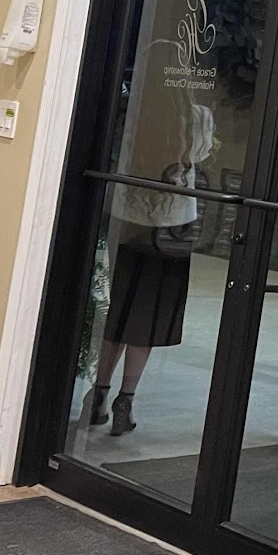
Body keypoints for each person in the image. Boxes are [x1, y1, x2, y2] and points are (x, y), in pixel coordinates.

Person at [86, 43, 216, 436]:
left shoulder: (130, 110)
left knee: (117, 308)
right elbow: (202, 154)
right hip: (172, 226)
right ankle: (126, 399)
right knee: (147, 316)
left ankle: (98, 394)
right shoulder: (198, 116)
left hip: (126, 219)